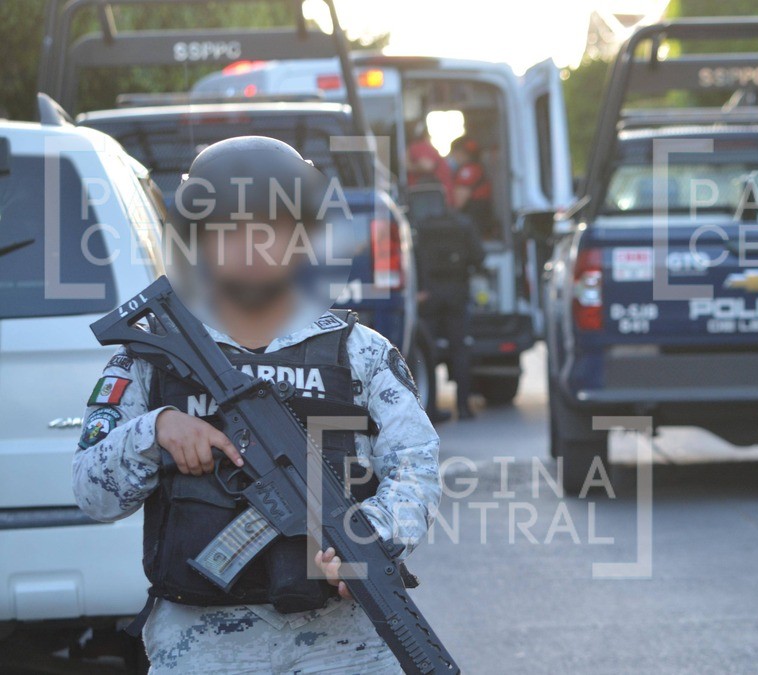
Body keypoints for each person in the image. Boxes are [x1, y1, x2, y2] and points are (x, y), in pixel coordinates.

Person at [71, 136, 441, 673]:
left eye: (273, 229)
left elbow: (417, 471)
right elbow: (90, 493)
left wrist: (369, 539)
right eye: (231, 231)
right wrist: (155, 432)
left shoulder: (359, 352)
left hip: (344, 644)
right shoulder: (156, 354)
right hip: (202, 645)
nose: (253, 247)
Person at [416, 197, 487, 422]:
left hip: (429, 293)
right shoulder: (464, 225)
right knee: (460, 350)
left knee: (428, 352)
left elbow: (415, 257)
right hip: (457, 291)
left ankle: (431, 408)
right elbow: (479, 256)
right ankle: (463, 406)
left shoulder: (423, 226)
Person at [448, 136, 496, 238]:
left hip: (475, 225)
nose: (452, 156)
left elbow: (458, 203)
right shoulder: (474, 168)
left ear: (461, 153)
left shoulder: (468, 171)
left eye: (454, 152)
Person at [407, 120, 453, 199]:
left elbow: (428, 166)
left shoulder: (420, 146)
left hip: (436, 202)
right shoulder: (425, 147)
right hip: (436, 200)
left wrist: (409, 166)